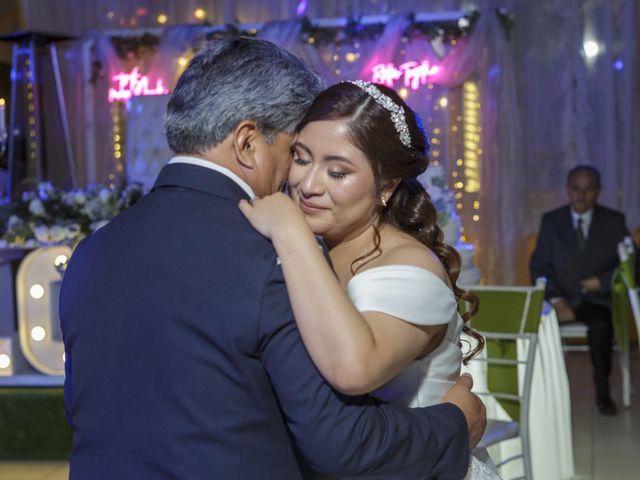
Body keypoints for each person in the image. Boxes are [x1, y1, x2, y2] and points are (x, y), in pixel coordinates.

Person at [60, 38, 485, 479]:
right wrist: (454, 424)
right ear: (248, 143)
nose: (299, 182)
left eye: (334, 169)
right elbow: (338, 442)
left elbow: (85, 404)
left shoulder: (92, 251)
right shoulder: (273, 254)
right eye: (294, 154)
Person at [239, 80, 499, 479]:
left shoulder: (410, 268)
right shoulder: (315, 249)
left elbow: (354, 369)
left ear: (388, 185)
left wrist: (290, 233)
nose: (309, 185)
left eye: (338, 172)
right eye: (302, 159)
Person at [530, 165, 630, 415]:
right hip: (561, 298)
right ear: (568, 189)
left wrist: (603, 281)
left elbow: (631, 263)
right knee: (536, 324)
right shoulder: (552, 221)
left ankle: (603, 395)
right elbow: (538, 266)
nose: (581, 195)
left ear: (598, 191)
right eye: (576, 189)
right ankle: (544, 398)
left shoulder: (613, 221)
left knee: (600, 328)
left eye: (588, 189)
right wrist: (556, 298)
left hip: (598, 301)